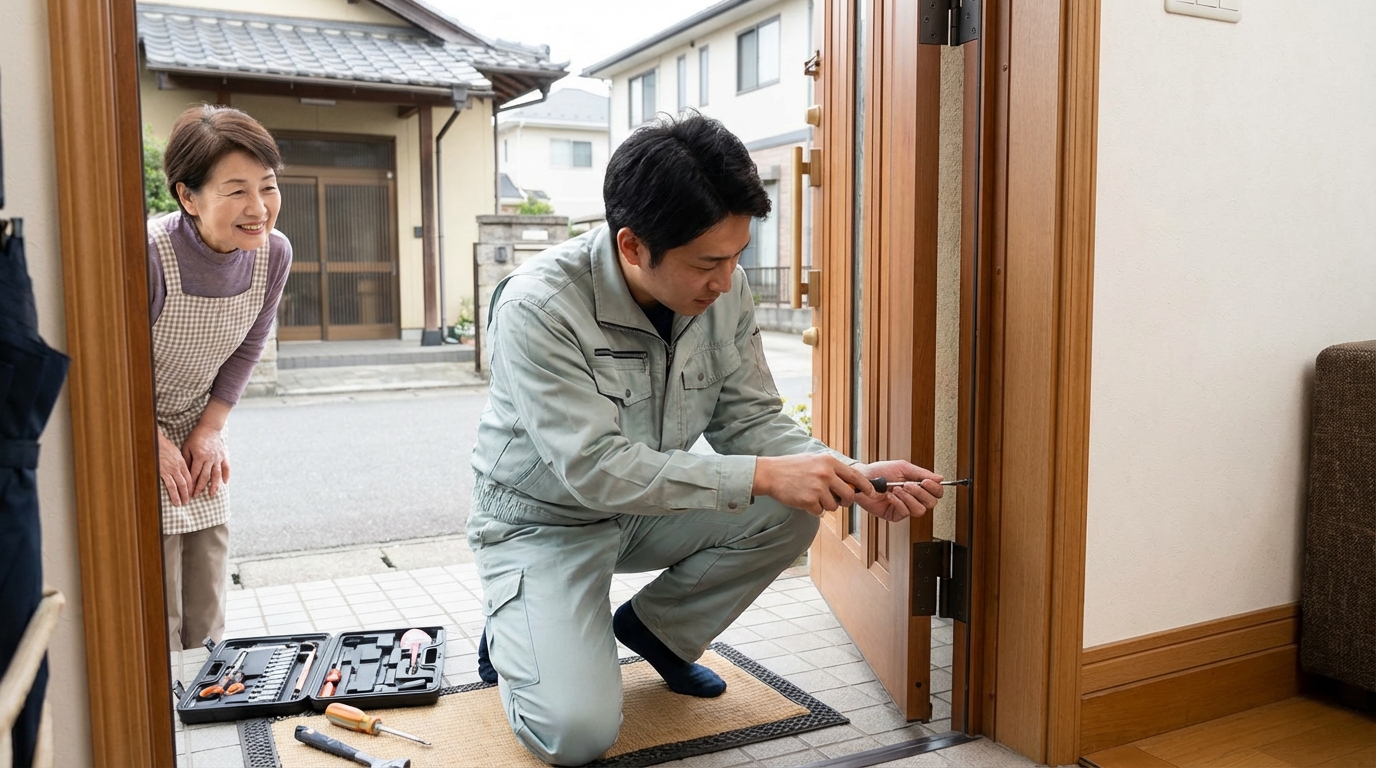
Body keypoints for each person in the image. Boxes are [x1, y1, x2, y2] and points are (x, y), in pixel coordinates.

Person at [467, 113, 944, 766]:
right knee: (575, 737)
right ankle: (517, 626)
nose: (726, 281)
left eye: (737, 257)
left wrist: (851, 473)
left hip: (646, 508)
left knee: (791, 505)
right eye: (708, 263)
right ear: (633, 246)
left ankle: (658, 634)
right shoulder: (538, 308)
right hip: (545, 522)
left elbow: (752, 420)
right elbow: (595, 469)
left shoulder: (725, 289)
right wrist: (764, 475)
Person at [150, 105, 292, 651]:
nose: (258, 208)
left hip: (201, 418)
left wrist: (210, 428)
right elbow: (112, 366)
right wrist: (151, 439)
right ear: (188, 197)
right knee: (157, 586)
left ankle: (205, 699)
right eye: (236, 190)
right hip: (132, 420)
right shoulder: (150, 253)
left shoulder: (273, 254)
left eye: (268, 186)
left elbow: (250, 345)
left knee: (207, 572)